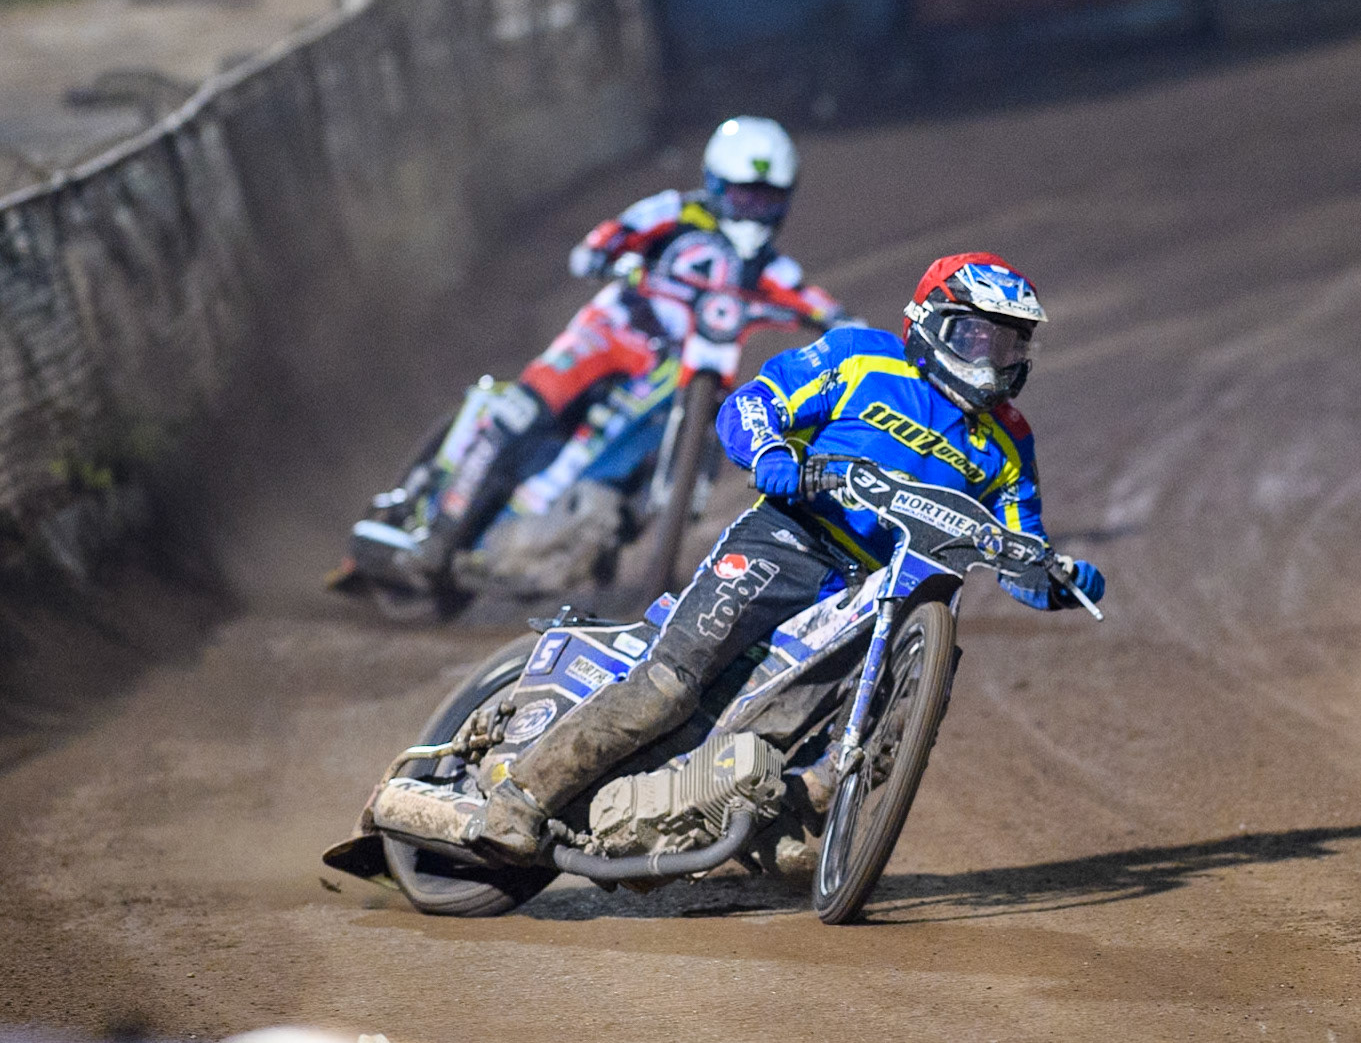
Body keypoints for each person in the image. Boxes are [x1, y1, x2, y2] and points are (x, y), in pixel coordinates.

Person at [472, 251, 1106, 861]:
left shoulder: (1011, 440)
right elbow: (752, 403)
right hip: (789, 538)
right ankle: (520, 797)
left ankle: (794, 826)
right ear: (931, 323)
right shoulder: (861, 355)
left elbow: (1022, 544)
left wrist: (1059, 580)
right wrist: (774, 455)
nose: (995, 362)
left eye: (1012, 345)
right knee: (669, 687)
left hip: (875, 595)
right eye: (979, 339)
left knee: (804, 727)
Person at [400, 115, 848, 580]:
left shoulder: (772, 269)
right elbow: (607, 238)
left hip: (679, 369)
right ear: (716, 183)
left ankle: (608, 529)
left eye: (767, 200)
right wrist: (604, 254)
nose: (754, 210)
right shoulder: (674, 213)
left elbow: (818, 303)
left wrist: (843, 328)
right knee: (522, 410)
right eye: (743, 195)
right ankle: (439, 535)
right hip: (612, 333)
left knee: (715, 424)